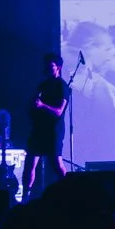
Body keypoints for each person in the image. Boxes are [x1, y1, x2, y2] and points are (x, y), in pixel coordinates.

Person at [24, 54, 68, 196]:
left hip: (53, 131)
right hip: (39, 130)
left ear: (58, 67)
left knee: (57, 165)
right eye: (47, 65)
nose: (48, 68)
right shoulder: (43, 85)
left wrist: (42, 105)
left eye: (51, 65)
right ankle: (25, 195)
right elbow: (34, 102)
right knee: (30, 163)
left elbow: (59, 112)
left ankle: (69, 191)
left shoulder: (62, 86)